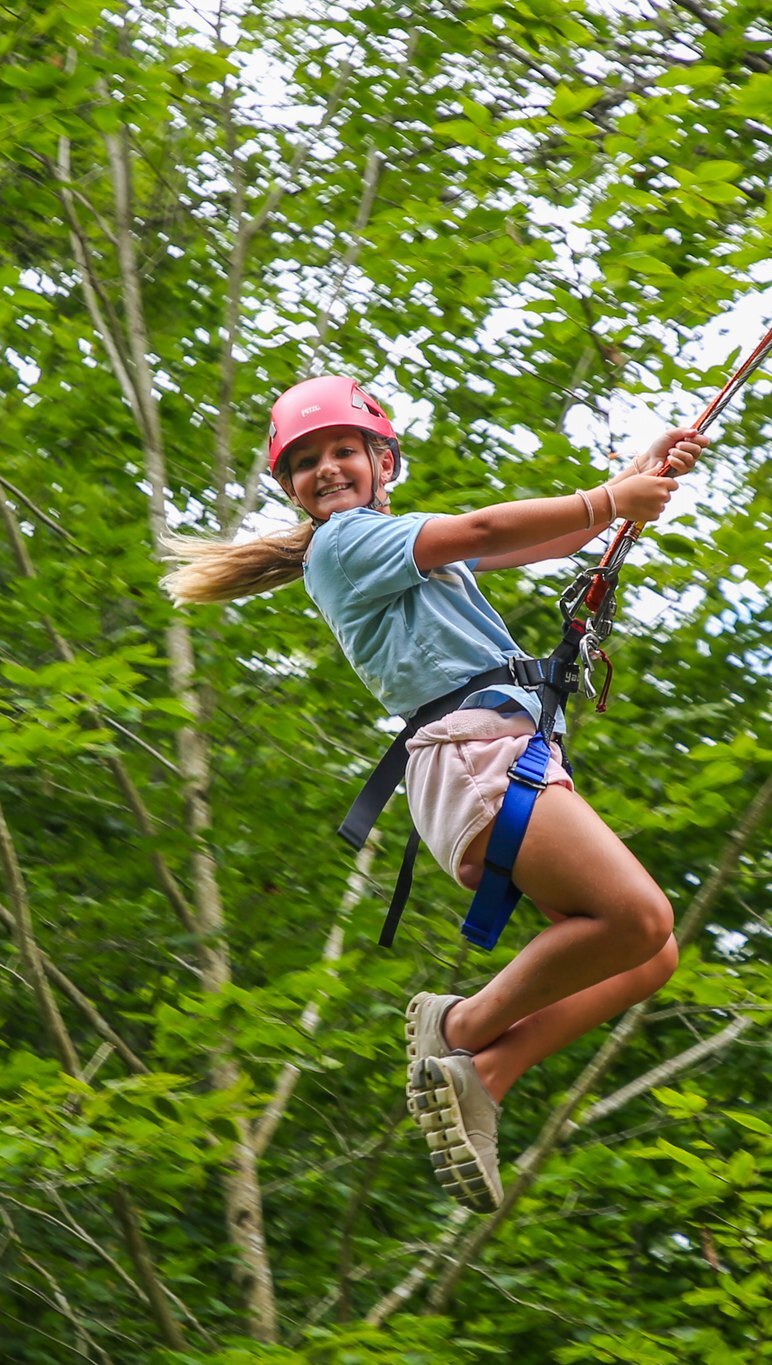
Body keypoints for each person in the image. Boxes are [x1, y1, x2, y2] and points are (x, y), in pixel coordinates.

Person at [162, 376, 703, 1212]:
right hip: (473, 757)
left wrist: (635, 480)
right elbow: (488, 526)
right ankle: (454, 1028)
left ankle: (484, 1072)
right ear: (292, 490)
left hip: (498, 760)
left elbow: (537, 542)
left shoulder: (396, 545)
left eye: (344, 450)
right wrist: (608, 495)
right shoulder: (344, 544)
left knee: (647, 954)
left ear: (385, 463)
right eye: (306, 462)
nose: (327, 469)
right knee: (641, 919)